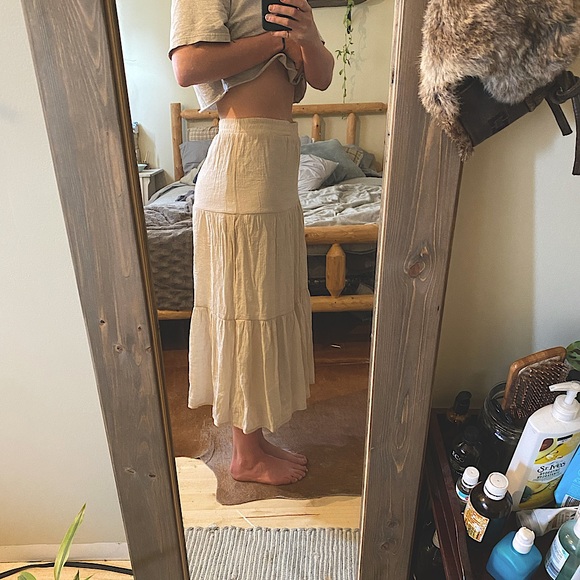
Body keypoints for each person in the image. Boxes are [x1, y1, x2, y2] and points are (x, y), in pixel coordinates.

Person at [169, 0, 334, 485]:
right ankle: (245, 456)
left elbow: (322, 77)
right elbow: (187, 66)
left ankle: (255, 441)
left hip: (274, 167)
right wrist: (276, 41)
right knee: (246, 306)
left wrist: (305, 36)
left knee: (265, 301)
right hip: (242, 162)